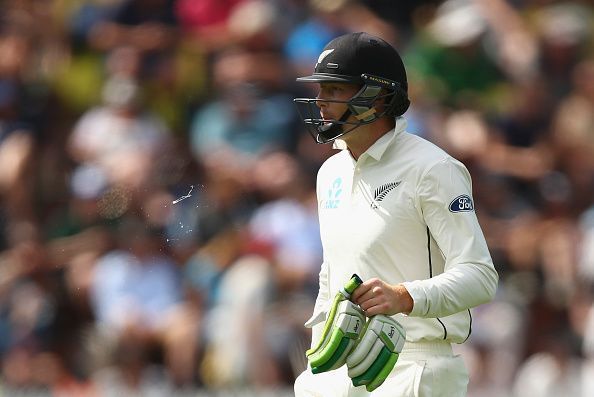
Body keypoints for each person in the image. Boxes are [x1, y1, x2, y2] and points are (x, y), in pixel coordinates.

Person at [292, 32, 499, 396]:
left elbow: (480, 276)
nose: (321, 102)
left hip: (416, 367)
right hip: (343, 371)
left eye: (335, 91)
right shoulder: (331, 173)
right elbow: (332, 275)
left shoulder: (433, 169)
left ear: (378, 96)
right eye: (320, 89)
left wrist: (405, 296)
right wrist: (318, 361)